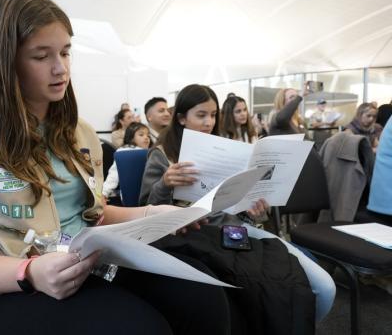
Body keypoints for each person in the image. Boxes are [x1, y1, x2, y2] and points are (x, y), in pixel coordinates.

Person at [0, 0, 230, 334]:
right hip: (0, 285)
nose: (61, 68)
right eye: (41, 56)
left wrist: (151, 214)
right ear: (5, 60)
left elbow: (90, 217)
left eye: (66, 52)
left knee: (203, 297)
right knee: (139, 328)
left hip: (78, 264)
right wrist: (30, 273)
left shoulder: (79, 134)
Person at [139, 84, 335, 324]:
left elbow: (238, 208)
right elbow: (144, 211)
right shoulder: (161, 155)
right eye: (201, 115)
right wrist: (164, 184)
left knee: (323, 287)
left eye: (213, 115)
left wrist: (254, 208)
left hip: (235, 232)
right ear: (181, 118)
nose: (209, 122)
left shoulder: (226, 150)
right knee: (277, 291)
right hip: (197, 239)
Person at [103, 122, 152, 200]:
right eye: (141, 135)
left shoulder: (152, 152)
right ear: (131, 137)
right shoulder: (123, 153)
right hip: (131, 196)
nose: (146, 138)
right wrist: (104, 193)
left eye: (148, 135)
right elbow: (113, 176)